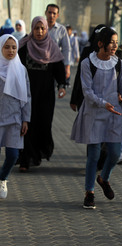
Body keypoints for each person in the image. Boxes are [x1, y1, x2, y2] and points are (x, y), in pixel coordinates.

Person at [70, 26, 122, 209]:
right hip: (93, 113)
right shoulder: (88, 63)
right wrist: (103, 103)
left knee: (116, 153)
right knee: (93, 155)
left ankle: (104, 178)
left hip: (113, 114)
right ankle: (89, 192)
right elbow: (87, 91)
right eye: (111, 42)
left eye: (116, 43)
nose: (114, 46)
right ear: (100, 43)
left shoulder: (118, 63)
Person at [18, 16, 66, 172]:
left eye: (42, 28)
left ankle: (36, 155)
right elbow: (14, 68)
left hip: (45, 96)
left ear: (46, 30)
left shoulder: (52, 48)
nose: (39, 31)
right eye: (36, 28)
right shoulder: (24, 47)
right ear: (32, 29)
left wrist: (61, 86)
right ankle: (25, 159)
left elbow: (59, 70)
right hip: (26, 94)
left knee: (42, 124)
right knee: (27, 125)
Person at [0, 34, 31, 198]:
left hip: (15, 119)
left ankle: (2, 178)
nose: (11, 50)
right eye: (7, 47)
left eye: (13, 47)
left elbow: (27, 96)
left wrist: (26, 119)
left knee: (13, 155)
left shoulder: (21, 69)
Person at [70, 24, 106, 112]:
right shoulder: (87, 51)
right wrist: (74, 99)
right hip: (85, 95)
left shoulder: (111, 54)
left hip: (104, 98)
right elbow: (79, 74)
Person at [45, 3, 71, 80]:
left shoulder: (61, 30)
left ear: (57, 15)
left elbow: (66, 49)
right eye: (49, 12)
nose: (51, 15)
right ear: (45, 13)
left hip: (55, 63)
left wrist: (67, 67)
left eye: (54, 13)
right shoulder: (40, 27)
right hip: (39, 63)